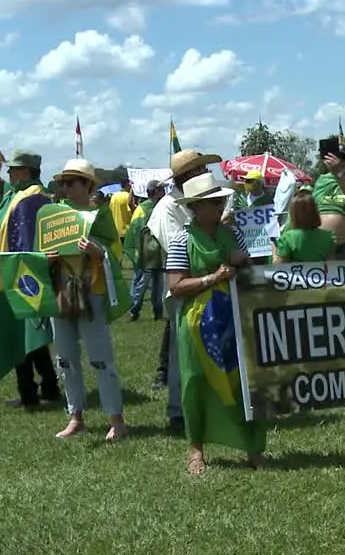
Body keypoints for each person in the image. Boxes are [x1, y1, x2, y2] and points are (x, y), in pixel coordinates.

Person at [165, 172, 264, 474]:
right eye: (212, 202)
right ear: (195, 207)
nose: (220, 205)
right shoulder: (182, 239)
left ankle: (252, 448)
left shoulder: (231, 233)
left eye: (220, 199)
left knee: (242, 381)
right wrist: (213, 277)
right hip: (196, 322)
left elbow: (247, 267)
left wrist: (242, 261)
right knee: (195, 381)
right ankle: (196, 448)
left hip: (232, 315)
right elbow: (176, 285)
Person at [47, 159, 129, 442]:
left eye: (72, 183)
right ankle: (75, 416)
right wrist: (48, 258)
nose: (65, 188)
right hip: (62, 293)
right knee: (65, 358)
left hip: (92, 292)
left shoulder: (101, 216)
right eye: (63, 183)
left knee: (100, 358)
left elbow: (115, 251)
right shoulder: (55, 215)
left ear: (88, 185)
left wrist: (99, 252)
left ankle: (116, 419)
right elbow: (41, 250)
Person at [0, 150, 61, 409]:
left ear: (25, 171)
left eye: (13, 169)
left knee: (16, 334)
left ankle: (28, 393)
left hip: (16, 275)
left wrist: (17, 275)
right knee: (29, 334)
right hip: (13, 273)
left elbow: (23, 238)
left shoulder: (29, 198)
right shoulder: (23, 194)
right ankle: (48, 386)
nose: (9, 173)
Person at [148, 149, 222, 428]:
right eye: (200, 168)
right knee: (183, 353)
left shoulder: (207, 198)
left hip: (214, 287)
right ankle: (178, 411)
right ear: (187, 175)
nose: (205, 172)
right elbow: (177, 251)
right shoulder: (167, 208)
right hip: (187, 289)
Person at [124, 180, 165, 322]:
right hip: (146, 255)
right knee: (141, 285)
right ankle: (134, 310)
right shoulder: (141, 209)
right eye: (161, 190)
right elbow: (135, 232)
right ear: (155, 192)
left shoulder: (163, 208)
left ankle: (158, 312)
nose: (164, 193)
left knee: (158, 286)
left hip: (159, 254)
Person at [273, 191, 335, 263]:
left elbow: (280, 266)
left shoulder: (287, 238)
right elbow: (332, 266)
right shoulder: (328, 237)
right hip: (320, 273)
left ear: (293, 213)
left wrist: (274, 251)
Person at [108, 179, 134, 245]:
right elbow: (132, 210)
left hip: (115, 231)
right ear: (127, 185)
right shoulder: (128, 196)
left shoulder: (114, 196)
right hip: (127, 231)